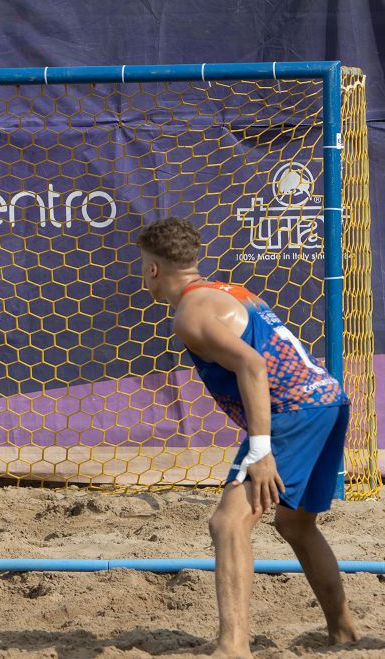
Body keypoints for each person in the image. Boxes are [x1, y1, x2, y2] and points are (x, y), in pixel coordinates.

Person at [137, 216, 357, 658]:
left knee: (228, 522)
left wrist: (260, 451)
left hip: (293, 411)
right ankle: (344, 633)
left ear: (154, 269)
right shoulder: (227, 292)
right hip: (328, 400)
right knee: (295, 524)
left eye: (142, 265)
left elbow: (252, 366)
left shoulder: (190, 314)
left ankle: (233, 647)